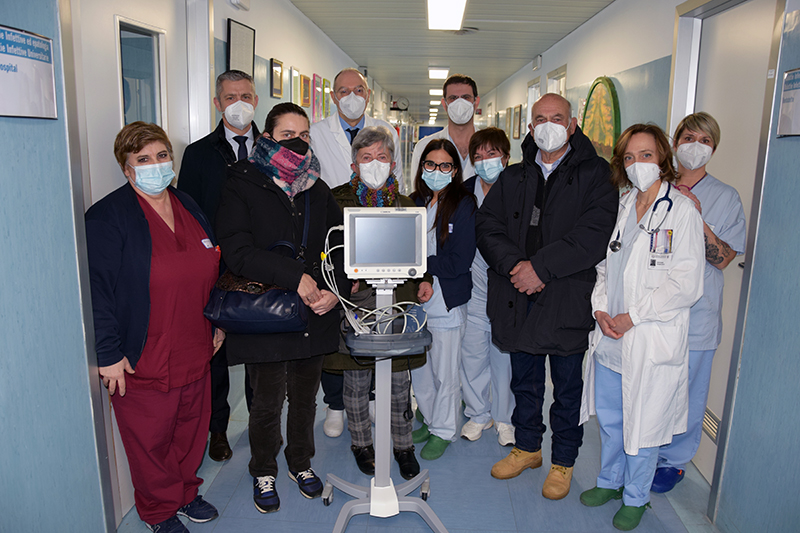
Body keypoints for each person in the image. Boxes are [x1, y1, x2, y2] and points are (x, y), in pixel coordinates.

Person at [476, 93, 617, 500]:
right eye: (541, 118)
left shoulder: (596, 174)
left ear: (572, 125)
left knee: (567, 389)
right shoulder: (514, 176)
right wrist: (516, 267)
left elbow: (594, 235)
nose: (548, 125)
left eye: (557, 118)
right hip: (517, 295)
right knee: (525, 381)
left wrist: (540, 268)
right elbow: (488, 226)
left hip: (566, 297)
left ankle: (563, 462)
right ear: (530, 126)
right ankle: (527, 448)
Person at [86, 122, 222, 533]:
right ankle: (160, 511)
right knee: (151, 438)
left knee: (191, 428)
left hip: (195, 342)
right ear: (127, 169)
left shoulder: (187, 204)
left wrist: (218, 322)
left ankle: (186, 492)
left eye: (162, 156)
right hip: (143, 351)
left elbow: (213, 267)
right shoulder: (109, 217)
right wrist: (108, 353)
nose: (155, 165)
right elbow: (96, 291)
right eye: (143, 159)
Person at [215, 103, 348, 513]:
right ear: (268, 137)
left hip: (314, 311)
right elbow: (237, 251)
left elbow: (342, 244)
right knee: (267, 400)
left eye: (304, 135)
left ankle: (300, 463)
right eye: (288, 135)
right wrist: (296, 277)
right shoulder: (241, 183)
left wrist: (335, 290)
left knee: (305, 398)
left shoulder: (316, 187)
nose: (298, 142)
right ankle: (263, 469)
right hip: (266, 312)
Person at [578, 123, 704, 531]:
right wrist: (600, 310)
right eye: (629, 158)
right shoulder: (621, 205)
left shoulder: (681, 211)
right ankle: (610, 481)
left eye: (646, 155)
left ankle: (636, 496)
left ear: (663, 157)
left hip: (648, 338)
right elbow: (604, 266)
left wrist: (633, 316)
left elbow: (686, 283)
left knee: (644, 425)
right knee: (612, 421)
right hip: (611, 337)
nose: (637, 164)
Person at [323, 126, 433, 480]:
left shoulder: (405, 204)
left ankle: (403, 446)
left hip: (397, 302)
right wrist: (345, 278)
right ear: (353, 165)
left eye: (382, 157)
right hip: (354, 305)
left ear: (393, 163)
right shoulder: (336, 201)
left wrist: (425, 280)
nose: (374, 164)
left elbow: (420, 253)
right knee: (356, 381)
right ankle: (361, 444)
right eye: (366, 157)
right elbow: (327, 250)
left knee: (399, 383)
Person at [650, 112, 746, 493]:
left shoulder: (726, 197)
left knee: (687, 394)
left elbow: (722, 259)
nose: (696, 146)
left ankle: (672, 462)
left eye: (705, 141)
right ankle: (642, 452)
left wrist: (695, 215)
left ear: (713, 149)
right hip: (654, 310)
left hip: (697, 316)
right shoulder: (654, 187)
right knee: (651, 387)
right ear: (675, 144)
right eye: (689, 138)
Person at [310, 67, 403, 437]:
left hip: (378, 221)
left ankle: (374, 396)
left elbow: (394, 175)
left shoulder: (385, 129)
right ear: (333, 96)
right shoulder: (317, 132)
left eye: (359, 90)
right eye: (343, 90)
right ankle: (335, 404)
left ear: (368, 94)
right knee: (338, 326)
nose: (351, 96)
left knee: (378, 317)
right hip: (336, 221)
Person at [177, 69, 259, 462]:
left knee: (261, 350)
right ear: (217, 103)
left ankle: (262, 425)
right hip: (217, 267)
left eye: (246, 96)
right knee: (217, 354)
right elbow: (188, 213)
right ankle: (218, 429)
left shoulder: (271, 149)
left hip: (261, 264)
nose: (239, 104)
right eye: (230, 97)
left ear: (256, 100)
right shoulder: (198, 154)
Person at [410, 139, 476, 460]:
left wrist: (420, 264)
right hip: (414, 299)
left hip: (446, 300)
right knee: (419, 369)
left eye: (445, 165)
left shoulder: (464, 204)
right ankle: (429, 417)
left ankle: (444, 429)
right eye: (431, 164)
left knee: (445, 372)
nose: (437, 171)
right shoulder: (414, 201)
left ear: (455, 170)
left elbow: (459, 261)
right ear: (422, 167)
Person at [459, 127, 516, 446]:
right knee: (472, 354)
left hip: (507, 286)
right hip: (473, 285)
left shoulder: (518, 190)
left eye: (491, 154)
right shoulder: (463, 193)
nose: (484, 161)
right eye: (478, 156)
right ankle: (478, 413)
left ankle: (504, 417)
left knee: (503, 356)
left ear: (505, 157)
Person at [411, 74, 480, 181]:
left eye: (466, 97)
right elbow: (417, 188)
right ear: (444, 104)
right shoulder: (423, 146)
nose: (459, 104)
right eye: (453, 98)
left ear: (476, 102)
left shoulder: (490, 146)